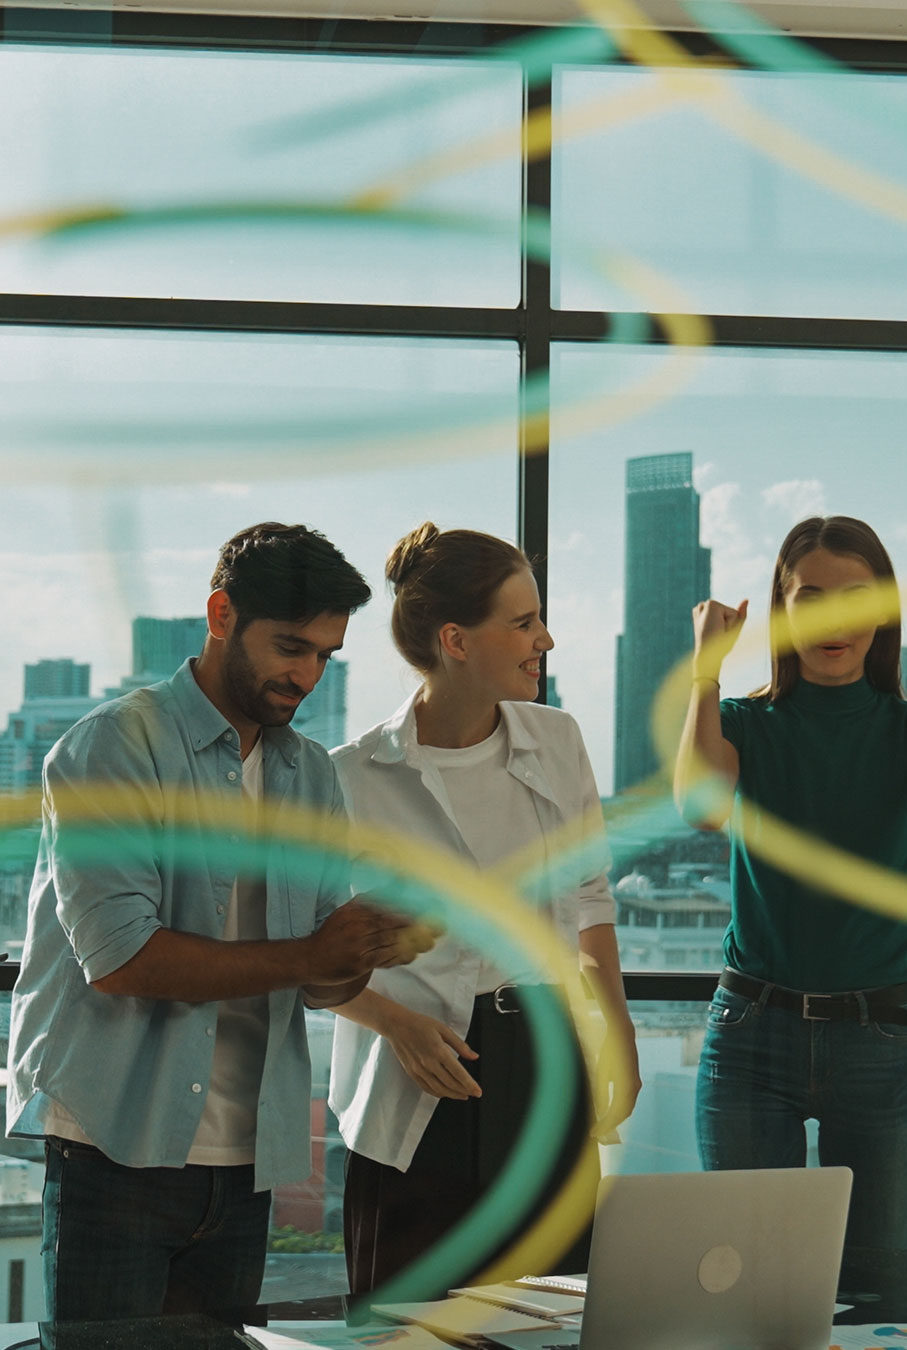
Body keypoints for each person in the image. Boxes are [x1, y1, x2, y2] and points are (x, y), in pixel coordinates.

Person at [7, 523, 434, 1326]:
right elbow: (123, 960)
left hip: (249, 1158)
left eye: (324, 657)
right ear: (220, 614)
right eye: (290, 647)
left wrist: (365, 951)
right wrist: (314, 951)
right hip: (116, 1146)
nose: (305, 675)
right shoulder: (113, 748)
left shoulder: (308, 772)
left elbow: (316, 982)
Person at [329, 524, 640, 1304]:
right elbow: (304, 957)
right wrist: (394, 1023)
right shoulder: (353, 776)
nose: (547, 639)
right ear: (456, 640)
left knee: (554, 1312)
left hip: (545, 1060)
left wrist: (621, 1039)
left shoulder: (558, 739)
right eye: (524, 622)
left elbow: (589, 898)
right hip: (415, 1078)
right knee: (410, 1319)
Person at [673, 515, 907, 1253]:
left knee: (883, 1279)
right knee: (746, 1277)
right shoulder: (746, 722)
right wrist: (706, 665)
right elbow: (699, 808)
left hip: (880, 1038)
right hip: (751, 1034)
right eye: (809, 596)